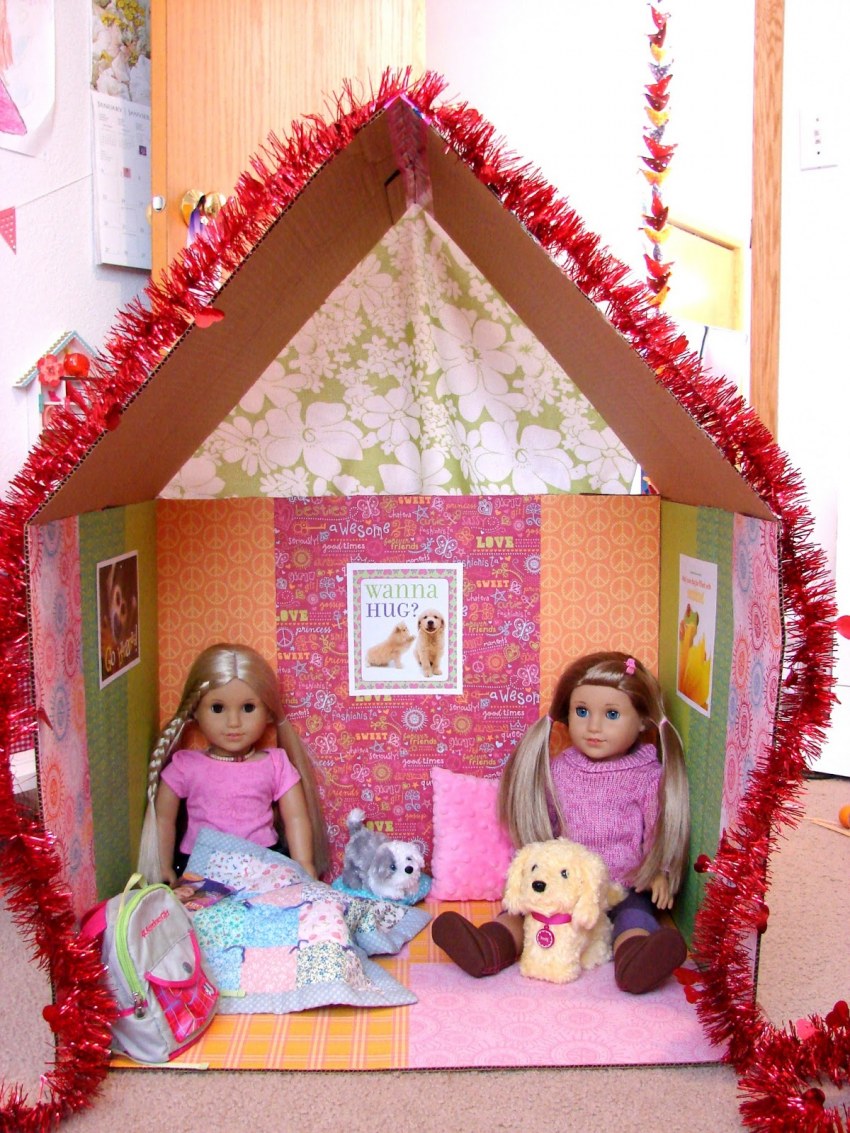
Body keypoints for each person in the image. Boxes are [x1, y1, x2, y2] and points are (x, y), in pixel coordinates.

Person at [432, 651, 690, 994]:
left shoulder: (647, 776)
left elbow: (657, 829)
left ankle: (636, 960)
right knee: (525, 912)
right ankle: (490, 945)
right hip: (565, 885)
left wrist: (659, 871)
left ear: (643, 720)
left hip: (622, 886)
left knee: (634, 917)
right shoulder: (561, 769)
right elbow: (549, 829)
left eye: (612, 714)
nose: (594, 726)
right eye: (582, 712)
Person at [137, 643, 328, 886]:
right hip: (201, 869)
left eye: (248, 708)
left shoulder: (275, 763)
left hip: (263, 865)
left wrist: (303, 863)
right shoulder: (186, 766)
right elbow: (163, 819)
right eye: (217, 708)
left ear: (269, 711)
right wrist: (163, 865)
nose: (234, 722)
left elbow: (297, 819)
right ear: (194, 710)